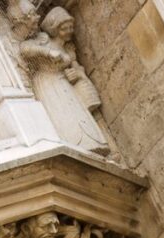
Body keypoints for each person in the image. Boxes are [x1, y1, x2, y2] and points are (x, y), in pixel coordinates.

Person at [19, 7, 108, 154]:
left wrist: (77, 73)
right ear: (55, 29)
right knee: (62, 114)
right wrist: (47, 52)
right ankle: (71, 144)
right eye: (64, 28)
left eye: (70, 27)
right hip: (48, 83)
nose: (68, 31)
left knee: (77, 114)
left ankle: (90, 145)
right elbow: (24, 48)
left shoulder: (69, 48)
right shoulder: (44, 40)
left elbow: (77, 68)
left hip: (64, 83)